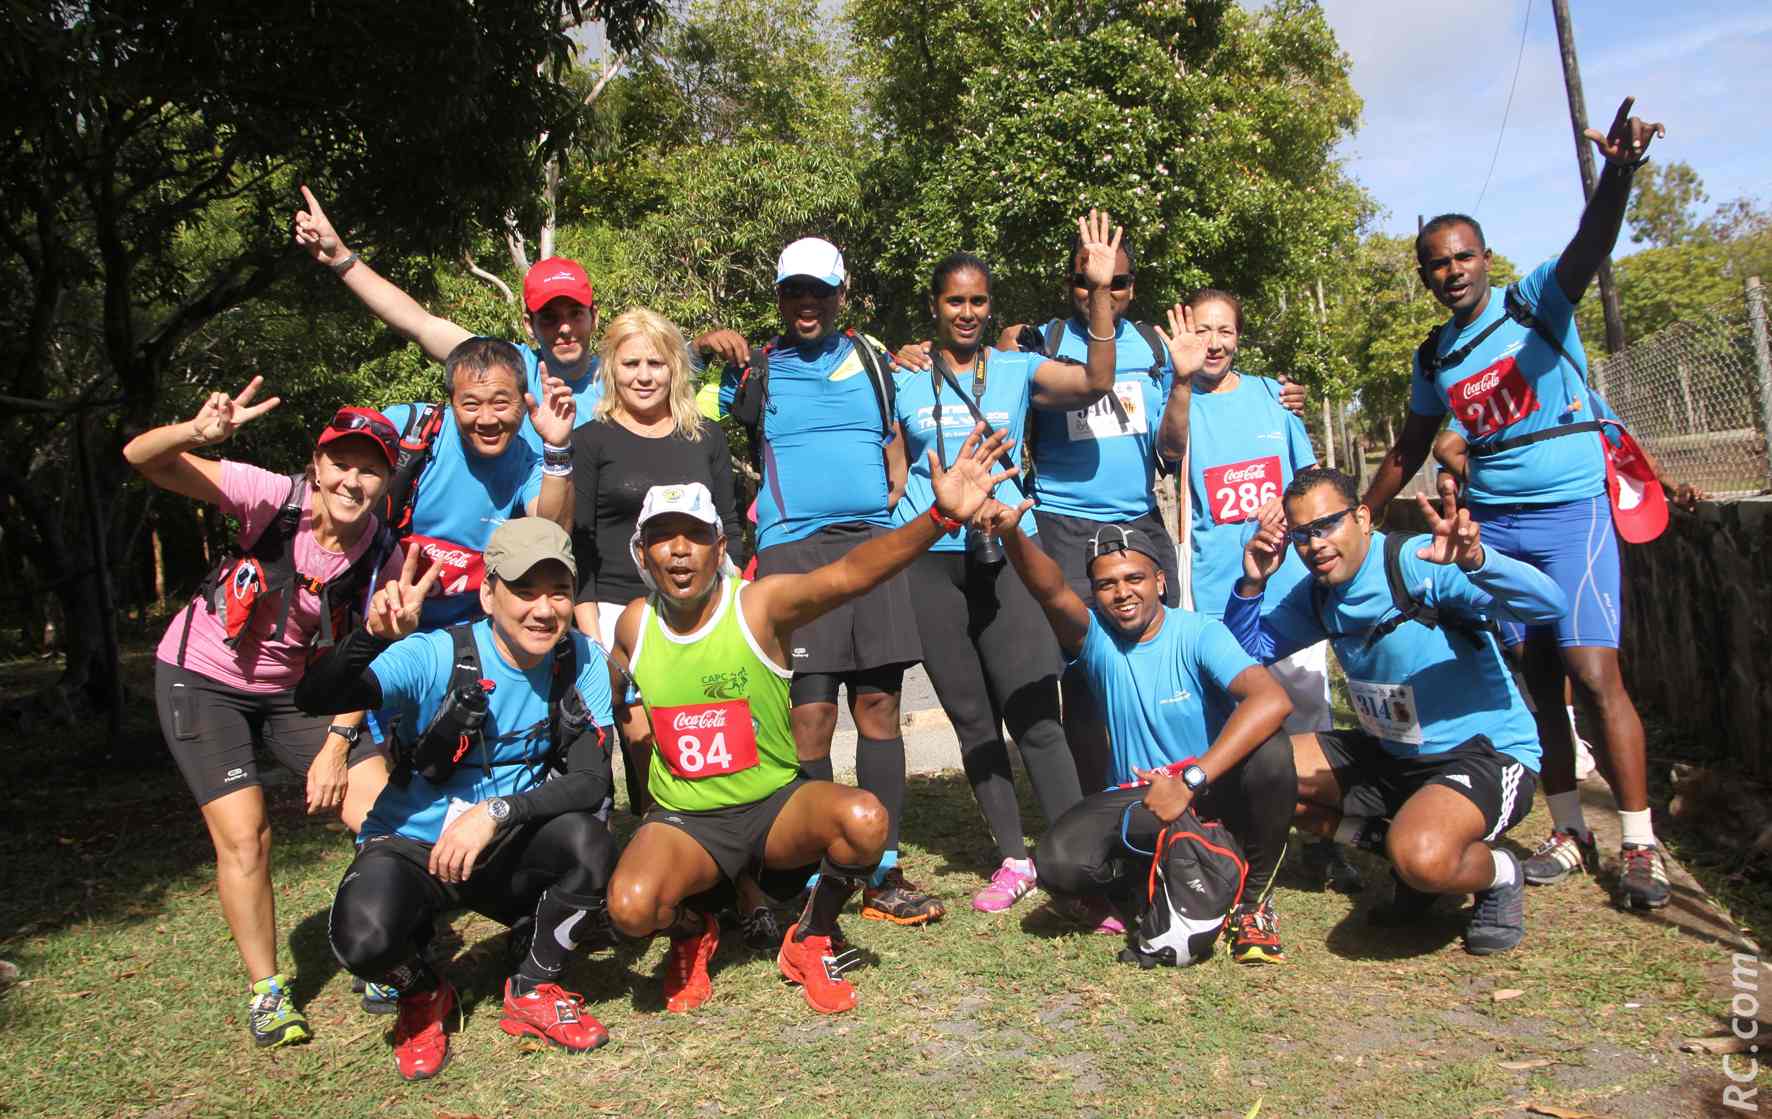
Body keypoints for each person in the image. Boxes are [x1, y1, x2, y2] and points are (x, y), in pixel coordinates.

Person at [1359, 97, 1674, 909]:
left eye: (1463, 256)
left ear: (1486, 258)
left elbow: (1590, 243)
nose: (1452, 270)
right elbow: (1411, 444)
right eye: (1436, 263)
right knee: (1538, 678)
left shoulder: (1536, 302)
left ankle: (1640, 843)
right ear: (1425, 275)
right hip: (1494, 521)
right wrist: (1362, 511)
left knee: (1592, 668)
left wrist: (1619, 173)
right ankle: (1571, 828)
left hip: (1572, 508)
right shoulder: (1436, 353)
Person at [603, 428, 1019, 1014]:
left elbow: (849, 576)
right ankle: (694, 932)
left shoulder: (757, 605)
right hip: (689, 823)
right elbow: (609, 682)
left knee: (865, 820)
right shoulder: (633, 624)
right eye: (661, 538)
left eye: (694, 536)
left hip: (773, 811)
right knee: (630, 907)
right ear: (641, 554)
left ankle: (811, 936)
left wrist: (939, 519)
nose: (678, 550)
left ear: (719, 548)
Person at [123, 382, 405, 1048]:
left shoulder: (382, 555)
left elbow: (365, 666)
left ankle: (372, 944)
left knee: (382, 809)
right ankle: (268, 990)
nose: (353, 478)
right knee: (246, 835)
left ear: (386, 481)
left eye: (371, 468)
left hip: (298, 689)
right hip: (202, 678)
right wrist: (196, 431)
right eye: (343, 461)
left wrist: (339, 745)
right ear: (319, 463)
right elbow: (141, 457)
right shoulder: (268, 495)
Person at [295, 519, 617, 1081]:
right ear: (489, 593)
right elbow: (313, 696)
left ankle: (532, 988)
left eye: (559, 591)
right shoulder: (436, 654)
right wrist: (371, 638)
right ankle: (423, 993)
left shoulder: (580, 659)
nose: (544, 609)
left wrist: (495, 813)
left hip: (502, 843)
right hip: (411, 844)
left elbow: (591, 781)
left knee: (588, 841)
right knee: (362, 943)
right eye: (525, 589)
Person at [1227, 467, 1568, 954]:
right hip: (1391, 753)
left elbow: (1549, 605)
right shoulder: (1319, 595)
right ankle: (1404, 850)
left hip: (1481, 755)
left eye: (1327, 525)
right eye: (1301, 535)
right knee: (1262, 770)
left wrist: (1478, 562)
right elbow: (1244, 658)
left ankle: (1496, 874)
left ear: (1363, 517)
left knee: (1424, 858)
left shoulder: (1419, 563)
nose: (1315, 545)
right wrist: (1252, 583)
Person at [888, 243, 1134, 910]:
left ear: (989, 305)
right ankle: (1014, 859)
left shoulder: (1020, 369)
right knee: (972, 720)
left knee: (1036, 716)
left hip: (1008, 547)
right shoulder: (902, 378)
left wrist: (1103, 294)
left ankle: (1080, 860)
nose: (967, 312)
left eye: (977, 301)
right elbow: (884, 466)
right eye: (953, 301)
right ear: (934, 307)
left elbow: (1098, 381)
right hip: (932, 561)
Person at [974, 496, 1299, 964]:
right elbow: (1049, 591)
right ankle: (1162, 873)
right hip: (1139, 798)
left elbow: (1272, 698)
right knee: (1059, 863)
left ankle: (1251, 902)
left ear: (1160, 581)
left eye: (1134, 579)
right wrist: (1010, 533)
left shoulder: (1199, 632)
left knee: (1272, 752)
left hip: (1204, 786)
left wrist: (1191, 781)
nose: (1121, 593)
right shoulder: (1095, 640)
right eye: (1106, 584)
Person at [724, 233, 935, 924]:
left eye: (819, 290)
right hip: (792, 554)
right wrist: (707, 342)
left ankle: (882, 869)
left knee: (878, 706)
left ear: (841, 294)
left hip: (873, 547)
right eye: (793, 291)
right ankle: (821, 868)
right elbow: (693, 410)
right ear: (779, 297)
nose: (805, 303)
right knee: (810, 718)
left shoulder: (879, 361)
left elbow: (908, 432)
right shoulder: (756, 369)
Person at [293, 185, 741, 450]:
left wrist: (708, 341)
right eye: (549, 318)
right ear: (529, 325)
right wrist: (341, 259)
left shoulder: (624, 374)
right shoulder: (508, 368)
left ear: (593, 316)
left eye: (574, 314)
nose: (564, 327)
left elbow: (684, 358)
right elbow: (419, 322)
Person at [571, 307, 746, 651]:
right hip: (614, 615)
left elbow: (730, 527)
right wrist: (595, 643)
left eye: (656, 363)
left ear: (675, 368)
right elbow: (580, 549)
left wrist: (724, 612)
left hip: (700, 614)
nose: (644, 376)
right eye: (631, 364)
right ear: (611, 369)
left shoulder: (706, 436)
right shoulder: (589, 441)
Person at [383, 336, 577, 632]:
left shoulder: (531, 465)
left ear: (524, 402)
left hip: (464, 636)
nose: (487, 420)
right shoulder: (407, 431)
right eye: (471, 404)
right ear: (451, 402)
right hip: (379, 617)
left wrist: (557, 446)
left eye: (501, 403)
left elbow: (551, 532)